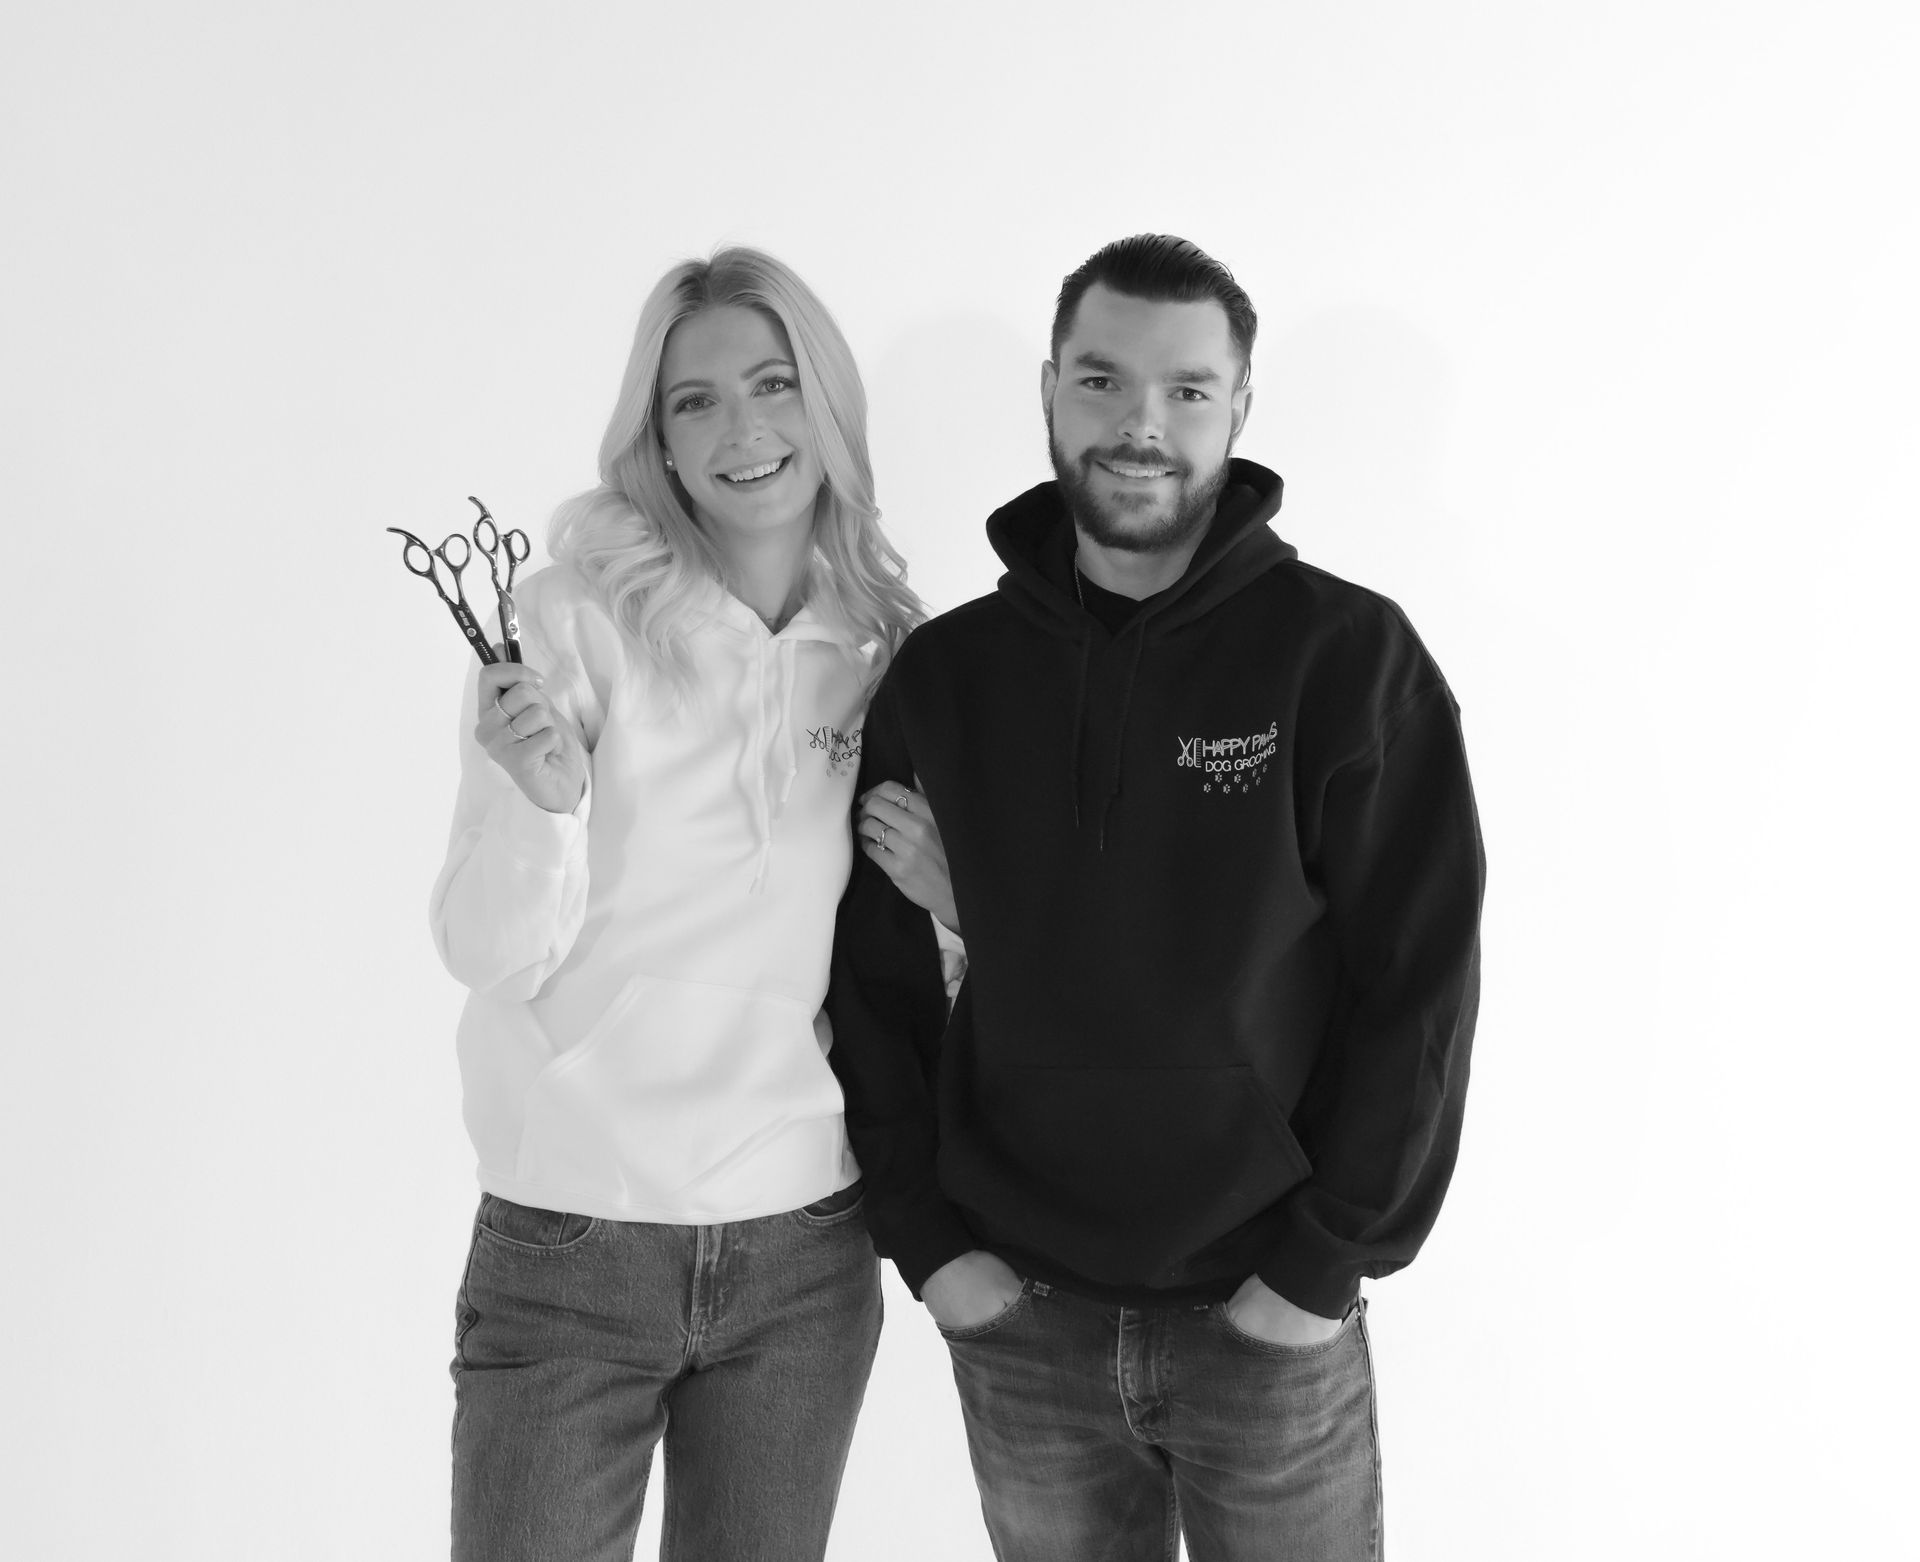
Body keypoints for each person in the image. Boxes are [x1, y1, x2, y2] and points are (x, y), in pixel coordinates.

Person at [829, 234, 1485, 1561]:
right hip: (1025, 1318)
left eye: (1187, 390)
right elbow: (875, 990)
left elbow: (1417, 989)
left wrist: (1321, 1266)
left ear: (1239, 408)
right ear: (1049, 391)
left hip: (1269, 1314)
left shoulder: (1347, 659)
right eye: (1103, 380)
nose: (1142, 425)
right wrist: (933, 1247)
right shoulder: (946, 679)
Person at [428, 246, 949, 1562]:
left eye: (774, 385)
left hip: (801, 1253)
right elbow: (483, 948)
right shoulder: (567, 619)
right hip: (574, 1238)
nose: (742, 430)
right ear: (654, 436)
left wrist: (956, 909)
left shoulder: (880, 650)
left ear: (827, 406)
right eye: (694, 401)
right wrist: (545, 804)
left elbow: (902, 961)